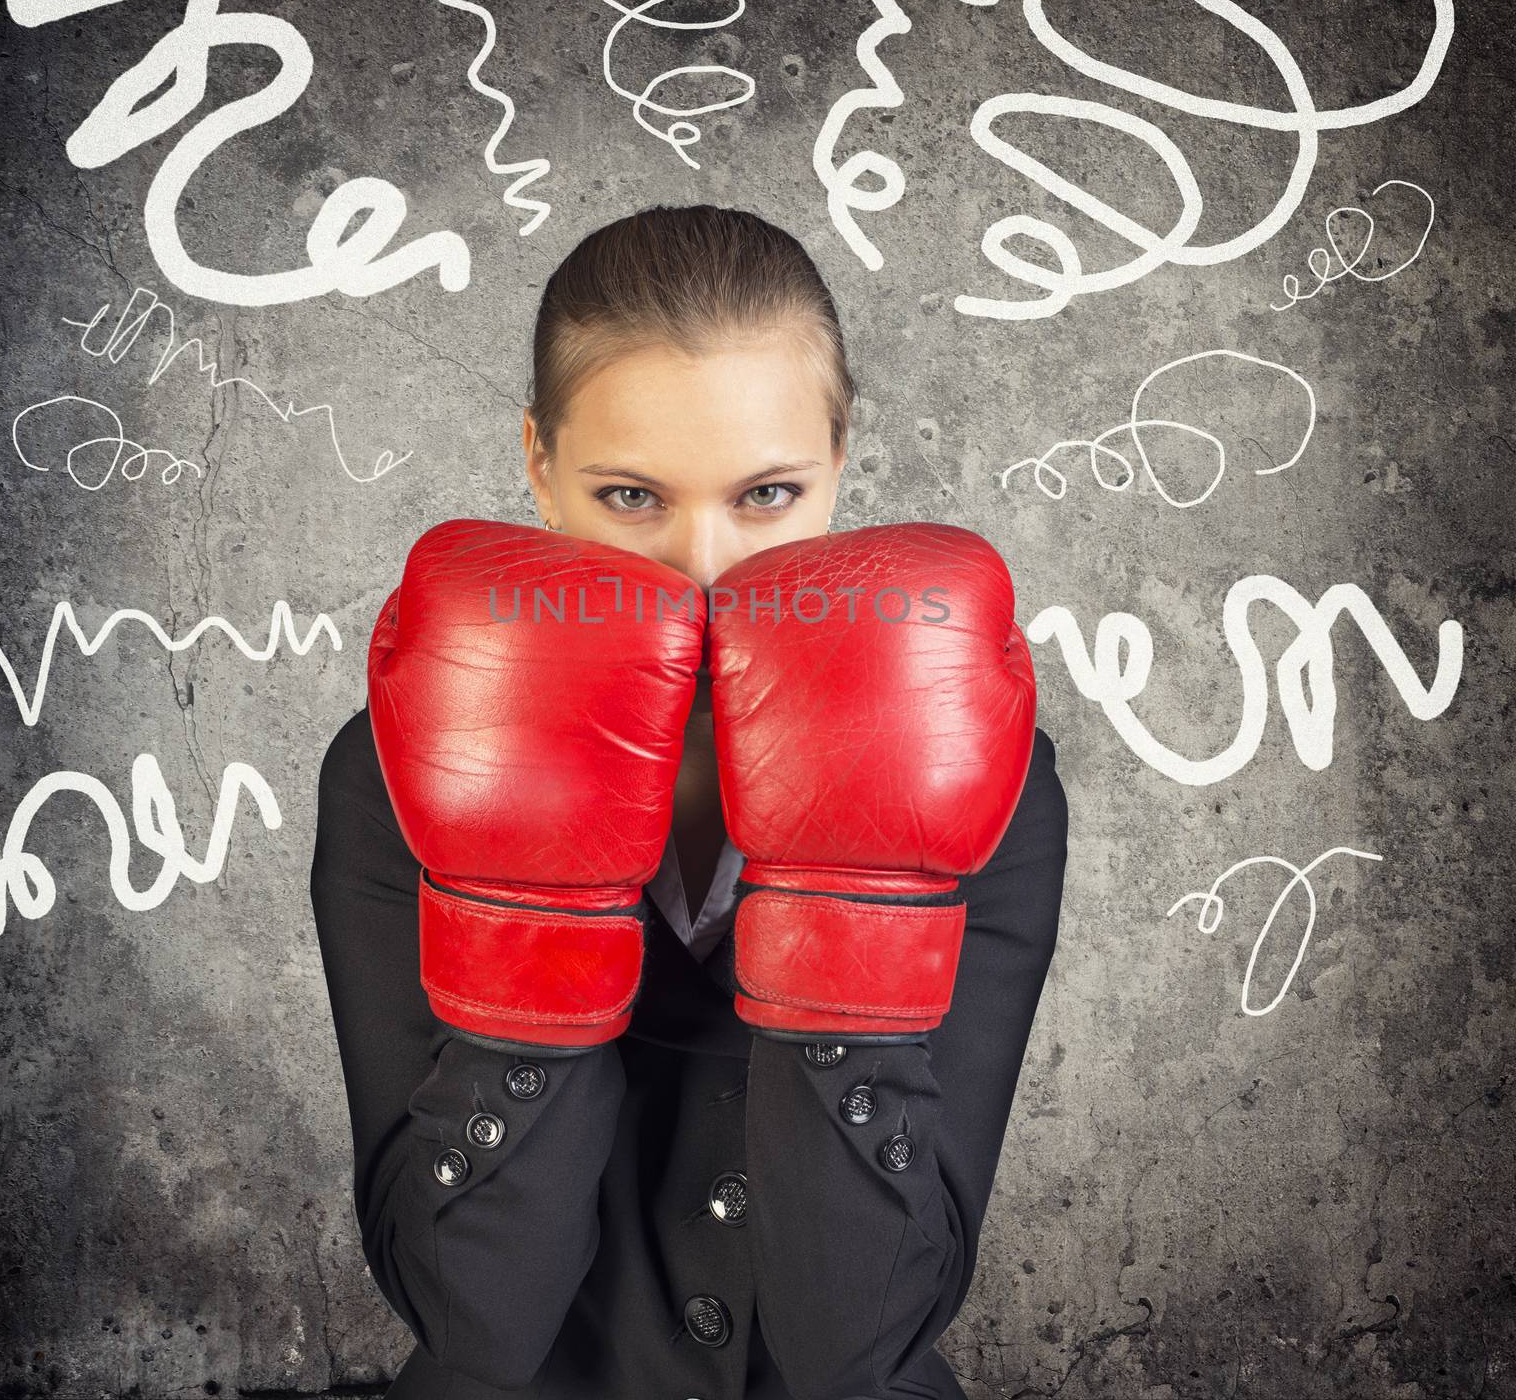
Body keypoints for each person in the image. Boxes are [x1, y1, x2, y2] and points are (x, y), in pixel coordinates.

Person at [309, 203, 1071, 1399]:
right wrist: (526, 902)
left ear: (840, 463)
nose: (704, 570)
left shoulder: (981, 772)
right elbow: (475, 1324)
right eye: (630, 496)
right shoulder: (397, 767)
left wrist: (850, 898)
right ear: (537, 465)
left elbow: (858, 1343)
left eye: (766, 494)